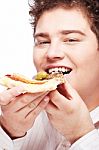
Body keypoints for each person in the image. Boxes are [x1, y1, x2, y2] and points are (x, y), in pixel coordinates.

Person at [0, 0, 99, 149]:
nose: (52, 53)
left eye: (71, 39)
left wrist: (81, 135)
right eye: (43, 42)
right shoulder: (11, 114)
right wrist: (9, 131)